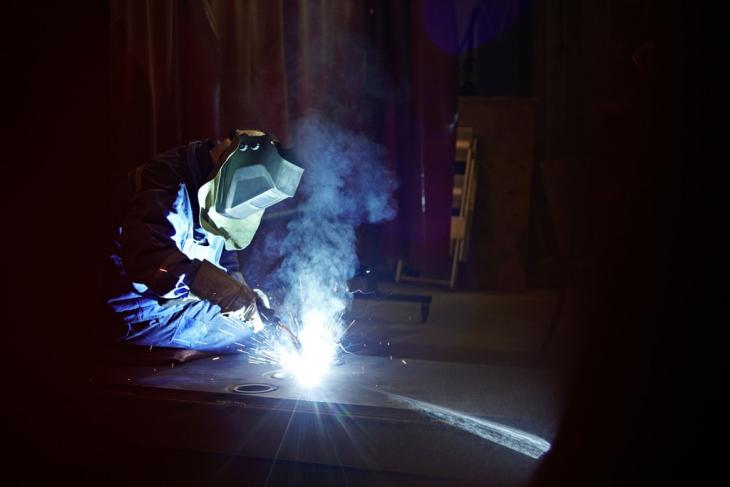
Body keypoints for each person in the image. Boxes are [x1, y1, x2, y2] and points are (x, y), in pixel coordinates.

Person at [106, 129, 304, 352]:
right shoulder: (168, 182)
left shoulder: (218, 189)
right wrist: (227, 293)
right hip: (139, 312)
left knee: (255, 326)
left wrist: (243, 293)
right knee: (251, 337)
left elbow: (225, 257)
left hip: (174, 306)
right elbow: (150, 260)